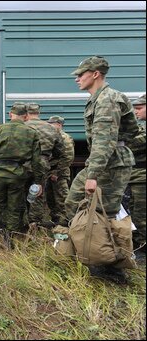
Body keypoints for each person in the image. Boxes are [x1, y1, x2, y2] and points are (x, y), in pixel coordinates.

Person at [65, 56, 139, 282]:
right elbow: (133, 130)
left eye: (81, 74)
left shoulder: (107, 99)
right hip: (106, 161)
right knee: (75, 203)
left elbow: (105, 139)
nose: (77, 78)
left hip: (109, 165)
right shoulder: (100, 98)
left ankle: (111, 269)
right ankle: (91, 254)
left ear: (95, 74)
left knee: (103, 213)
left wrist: (93, 174)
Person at [0, 102, 43, 248]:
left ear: (10, 114)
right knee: (14, 207)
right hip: (17, 175)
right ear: (26, 116)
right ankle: (9, 241)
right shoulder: (32, 133)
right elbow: (36, 161)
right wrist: (38, 181)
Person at [25, 103, 67, 227]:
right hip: (43, 163)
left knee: (21, 192)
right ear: (39, 113)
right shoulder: (50, 128)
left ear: (26, 113)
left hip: (24, 163)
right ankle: (35, 223)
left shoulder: (23, 126)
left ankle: (22, 222)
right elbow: (60, 151)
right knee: (38, 193)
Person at [45, 115, 75, 225]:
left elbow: (68, 157)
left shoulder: (64, 138)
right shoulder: (54, 136)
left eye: (51, 124)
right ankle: (56, 221)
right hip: (51, 172)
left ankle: (67, 222)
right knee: (51, 199)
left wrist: (57, 172)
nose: (49, 126)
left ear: (59, 125)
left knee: (62, 199)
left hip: (59, 174)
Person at [127, 94, 146, 261]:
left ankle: (143, 248)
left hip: (142, 178)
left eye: (139, 108)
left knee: (141, 215)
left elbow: (133, 144)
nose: (135, 111)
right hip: (137, 177)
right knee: (135, 212)